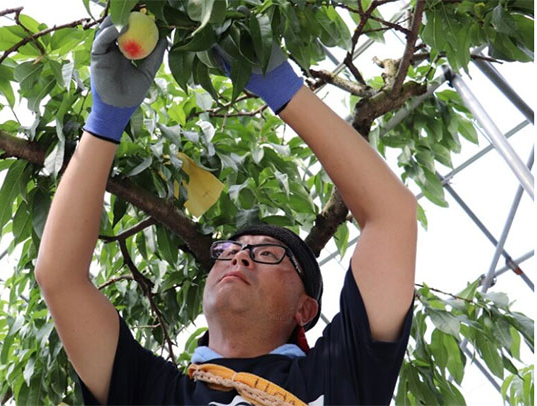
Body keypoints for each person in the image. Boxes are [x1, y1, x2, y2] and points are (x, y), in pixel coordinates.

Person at [35, 16, 417, 406]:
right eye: (227, 251)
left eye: (267, 254)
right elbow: (60, 278)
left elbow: (393, 217)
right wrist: (104, 122)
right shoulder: (153, 393)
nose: (239, 258)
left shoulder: (338, 374)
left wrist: (287, 92)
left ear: (304, 310)